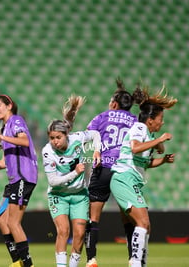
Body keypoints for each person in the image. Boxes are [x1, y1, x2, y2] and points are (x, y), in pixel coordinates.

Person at [109, 86, 177, 267]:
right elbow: (135, 147)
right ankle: (136, 263)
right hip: (123, 178)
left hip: (131, 180)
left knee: (146, 225)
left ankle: (140, 262)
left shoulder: (147, 133)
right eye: (160, 119)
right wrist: (159, 140)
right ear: (150, 120)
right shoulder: (139, 127)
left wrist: (162, 160)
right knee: (143, 221)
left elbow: (144, 163)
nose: (162, 123)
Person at [85, 79, 141, 267]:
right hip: (124, 170)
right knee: (128, 218)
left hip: (103, 167)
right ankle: (133, 258)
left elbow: (88, 135)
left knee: (93, 217)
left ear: (114, 104)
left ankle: (91, 258)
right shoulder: (135, 121)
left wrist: (97, 149)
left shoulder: (102, 116)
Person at [0, 94, 37, 267]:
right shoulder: (5, 129)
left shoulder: (16, 121)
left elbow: (24, 141)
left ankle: (27, 264)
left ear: (9, 105)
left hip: (24, 177)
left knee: (13, 222)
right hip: (13, 181)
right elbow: (3, 163)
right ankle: (16, 261)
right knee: (0, 220)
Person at [42, 95, 101, 267]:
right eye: (51, 138)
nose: (54, 142)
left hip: (80, 195)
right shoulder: (48, 152)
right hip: (58, 195)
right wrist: (75, 173)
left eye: (58, 137)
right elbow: (53, 181)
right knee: (63, 231)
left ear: (66, 135)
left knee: (80, 233)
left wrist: (97, 151)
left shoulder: (77, 139)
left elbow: (95, 134)